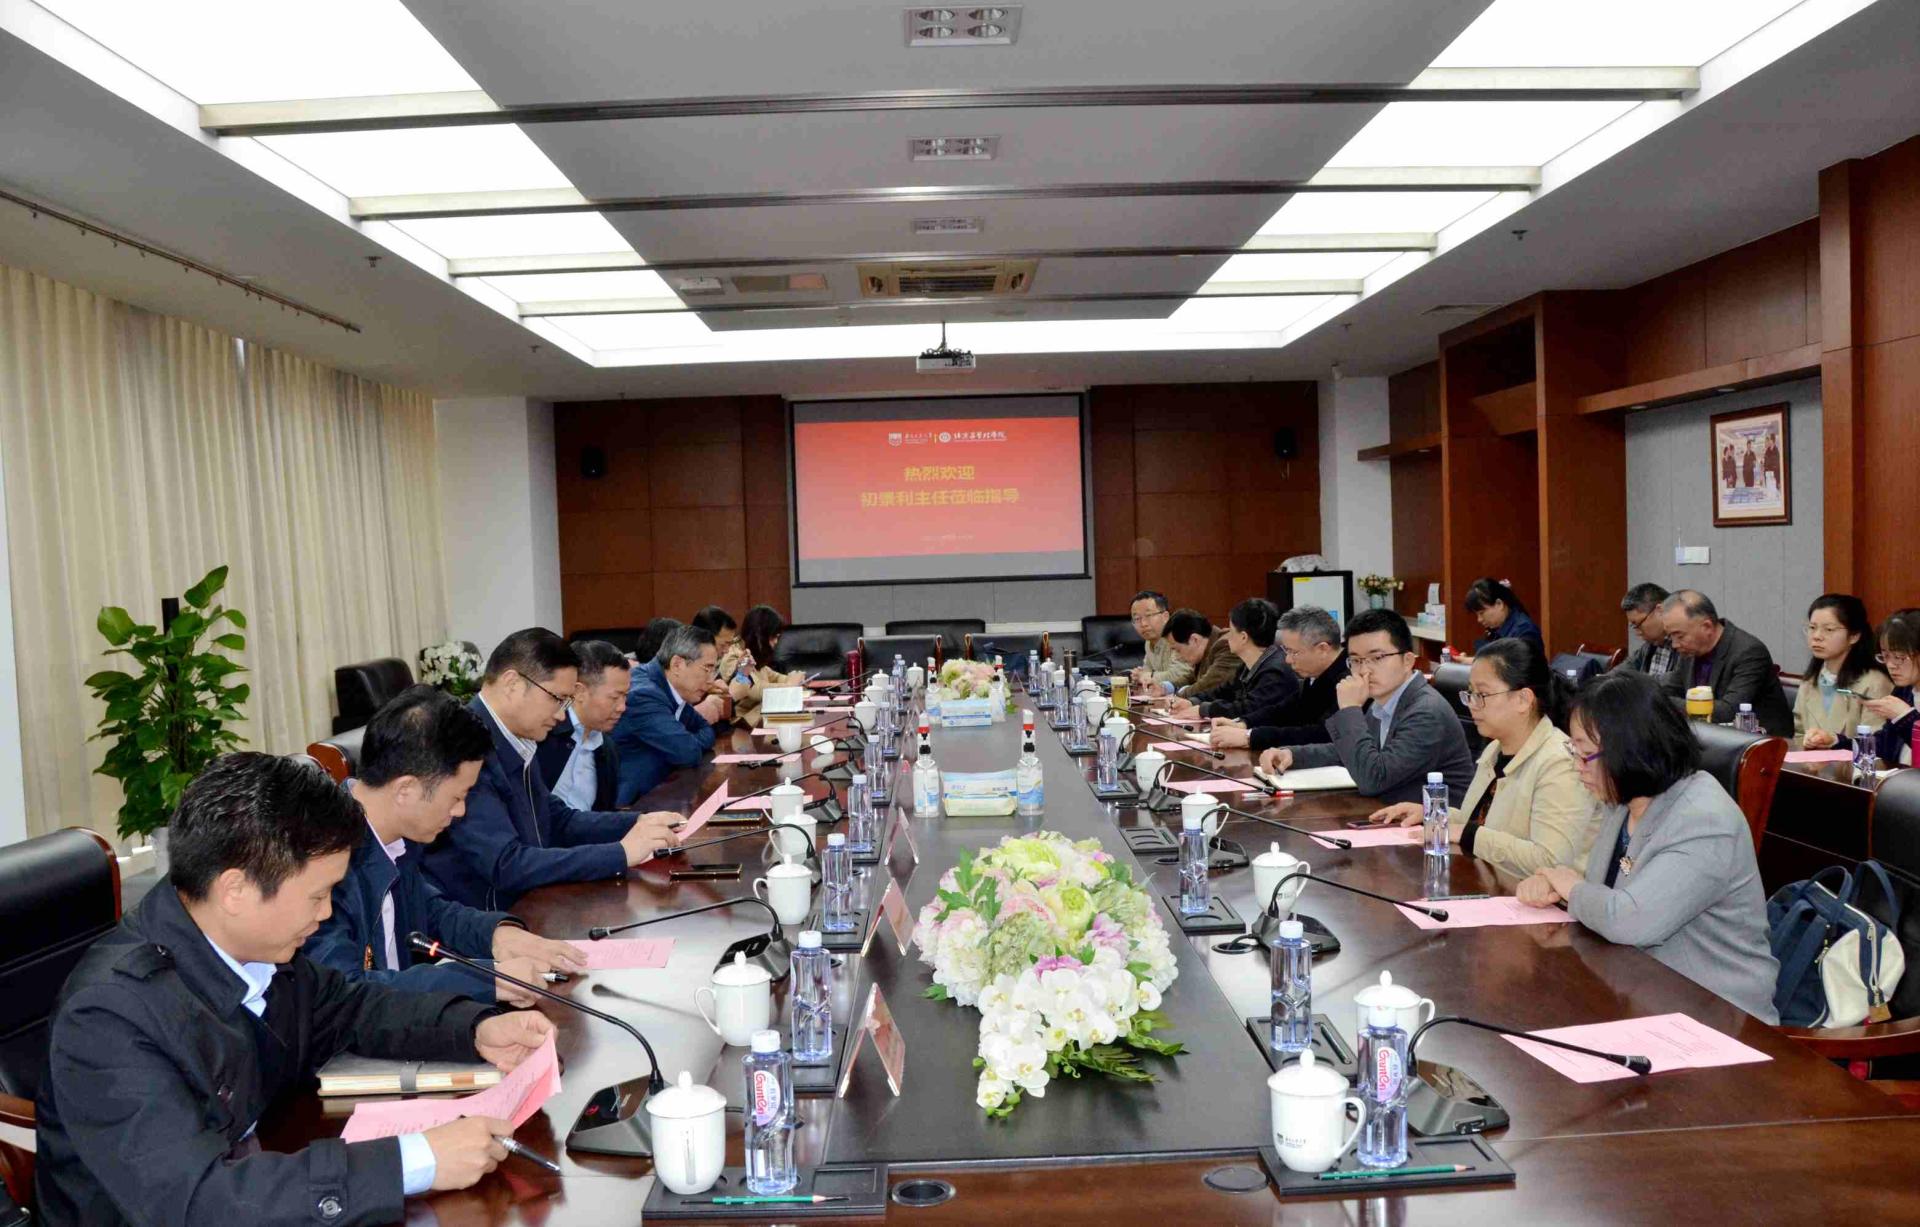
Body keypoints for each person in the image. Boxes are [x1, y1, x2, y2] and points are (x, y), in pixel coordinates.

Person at [34, 752, 558, 1226]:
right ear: (235, 889)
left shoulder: (253, 950)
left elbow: (349, 1006)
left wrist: (473, 1028)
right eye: (317, 895)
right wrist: (415, 1160)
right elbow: (199, 1201)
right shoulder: (109, 1017)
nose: (326, 913)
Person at [1515, 671, 1780, 1022]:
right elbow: (1605, 894)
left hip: (1717, 1016)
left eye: (1586, 754)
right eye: (1573, 751)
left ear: (1631, 750)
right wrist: (1557, 888)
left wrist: (1570, 886)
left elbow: (1629, 920)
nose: (1577, 767)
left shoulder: (1704, 820)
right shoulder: (1624, 802)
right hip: (1638, 991)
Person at [307, 687, 587, 1004]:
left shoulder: (396, 837)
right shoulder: (321, 860)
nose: (460, 811)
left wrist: (499, 935)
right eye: (457, 796)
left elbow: (432, 911)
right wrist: (486, 979)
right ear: (406, 790)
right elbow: (346, 991)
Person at [420, 629, 680, 910]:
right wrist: (620, 854)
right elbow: (506, 864)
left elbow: (557, 820)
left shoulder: (516, 737)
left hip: (530, 903)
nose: (560, 715)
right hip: (488, 918)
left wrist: (639, 822)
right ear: (512, 684)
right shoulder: (466, 747)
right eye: (557, 699)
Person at [1367, 639, 1602, 882]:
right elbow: (1482, 823)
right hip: (1492, 886)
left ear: (1523, 699)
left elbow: (1550, 860)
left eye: (1482, 694)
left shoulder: (1560, 763)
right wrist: (1435, 815)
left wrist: (1468, 834)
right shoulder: (1495, 749)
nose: (1472, 705)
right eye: (1470, 693)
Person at [1260, 608, 1475, 805]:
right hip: (1390, 813)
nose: (1364, 670)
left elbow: (1373, 779)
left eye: (1377, 658)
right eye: (1356, 660)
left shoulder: (1425, 711)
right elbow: (1352, 751)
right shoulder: (1386, 701)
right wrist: (1293, 755)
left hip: (1437, 826)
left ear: (1408, 661)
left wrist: (1350, 710)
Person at [612, 622, 726, 804]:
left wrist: (684, 741)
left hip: (663, 792)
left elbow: (706, 729)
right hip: (634, 805)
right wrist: (682, 744)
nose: (710, 680)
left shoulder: (669, 687)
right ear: (677, 664)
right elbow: (687, 752)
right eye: (707, 668)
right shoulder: (644, 695)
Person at [1209, 605, 1349, 753]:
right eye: (1285, 650)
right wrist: (1243, 723)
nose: (1287, 659)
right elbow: (1286, 710)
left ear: (1322, 649)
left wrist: (1250, 737)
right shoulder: (1316, 674)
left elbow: (1322, 734)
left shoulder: (1348, 680)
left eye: (1293, 652)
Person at [1657, 590, 1793, 736]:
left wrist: (1664, 702)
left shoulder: (1748, 652)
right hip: (1710, 738)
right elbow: (1671, 687)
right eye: (1670, 636)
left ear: (1707, 627)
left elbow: (1729, 711)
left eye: (1679, 636)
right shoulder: (1690, 651)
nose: (1674, 644)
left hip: (1762, 742)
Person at [535, 639, 630, 811]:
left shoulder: (607, 750)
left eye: (625, 696)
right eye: (615, 697)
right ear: (579, 692)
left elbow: (602, 814)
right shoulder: (542, 735)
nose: (622, 707)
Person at [1167, 598, 1296, 721]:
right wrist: (1192, 702)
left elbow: (1248, 708)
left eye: (1231, 631)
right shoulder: (1247, 666)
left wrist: (1204, 710)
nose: (1227, 636)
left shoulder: (1274, 671)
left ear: (1243, 637)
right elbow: (1222, 691)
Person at [1794, 594, 1891, 749]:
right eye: (1812, 628)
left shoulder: (1874, 683)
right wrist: (1808, 742)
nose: (1817, 636)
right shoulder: (1810, 680)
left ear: (1854, 636)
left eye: (1829, 629)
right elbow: (1798, 734)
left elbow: (1875, 745)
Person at [731, 604, 809, 727]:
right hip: (742, 725)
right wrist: (789, 686)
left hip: (758, 718)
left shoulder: (755, 654)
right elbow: (753, 689)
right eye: (773, 637)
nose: (776, 642)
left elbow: (774, 676)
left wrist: (794, 680)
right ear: (760, 635)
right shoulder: (734, 655)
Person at [1860, 608, 1920, 766]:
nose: (1891, 665)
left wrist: (1904, 716)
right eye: (1885, 656)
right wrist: (1836, 741)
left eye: (1899, 657)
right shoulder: (1904, 691)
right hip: (1901, 778)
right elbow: (1884, 745)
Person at [1151, 609, 1241, 699]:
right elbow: (1192, 679)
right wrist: (1165, 688)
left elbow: (1208, 686)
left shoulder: (1227, 645)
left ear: (1194, 640)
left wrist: (1174, 697)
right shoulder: (1206, 648)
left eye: (1178, 650)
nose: (1177, 657)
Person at [1125, 590, 1192, 693]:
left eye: (1148, 615)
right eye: (1137, 618)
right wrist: (1139, 676)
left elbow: (1183, 674)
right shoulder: (1149, 642)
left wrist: (1149, 676)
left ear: (1165, 617)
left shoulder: (1177, 636)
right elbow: (1146, 671)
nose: (1143, 624)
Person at [1464, 577, 1544, 657]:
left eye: (1482, 613)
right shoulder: (1495, 630)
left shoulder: (1524, 630)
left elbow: (1516, 663)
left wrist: (1474, 661)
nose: (1479, 619)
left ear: (1499, 604)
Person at [1618, 582, 1679, 676]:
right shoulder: (1649, 647)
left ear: (1659, 611)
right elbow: (1619, 673)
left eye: (1638, 624)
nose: (1637, 633)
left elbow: (1673, 682)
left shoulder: (1686, 648)